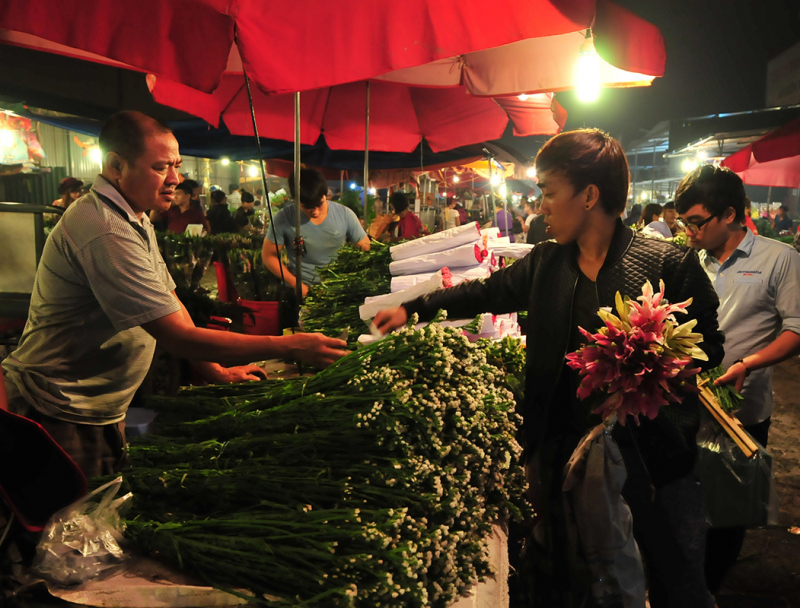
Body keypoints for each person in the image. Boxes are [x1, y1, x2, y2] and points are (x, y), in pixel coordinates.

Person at [375, 128, 723, 608]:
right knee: (581, 581)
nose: (541, 206)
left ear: (589, 195)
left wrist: (653, 367)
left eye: (548, 193)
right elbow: (484, 292)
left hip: (653, 467)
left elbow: (708, 349)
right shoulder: (546, 264)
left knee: (676, 584)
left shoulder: (669, 263)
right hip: (562, 460)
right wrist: (413, 308)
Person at [1, 111, 347, 478]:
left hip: (97, 407)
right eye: (161, 167)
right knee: (68, 526)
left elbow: (172, 303)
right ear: (116, 165)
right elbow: (178, 337)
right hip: (61, 412)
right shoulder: (104, 230)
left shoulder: (133, 216)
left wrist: (216, 371)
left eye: (177, 166)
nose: (175, 180)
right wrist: (289, 346)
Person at [675, 164, 800, 596]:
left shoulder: (779, 259)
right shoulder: (689, 260)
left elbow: (796, 330)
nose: (688, 232)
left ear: (729, 215)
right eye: (684, 223)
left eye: (696, 222)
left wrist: (747, 363)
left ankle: (709, 589)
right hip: (687, 404)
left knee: (727, 513)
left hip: (740, 412)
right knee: (684, 502)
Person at [262, 168, 370, 296]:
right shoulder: (283, 218)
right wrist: (295, 283)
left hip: (336, 290)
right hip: (299, 291)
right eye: (307, 207)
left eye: (320, 204)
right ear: (295, 199)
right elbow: (269, 256)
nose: (315, 212)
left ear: (326, 195)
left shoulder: (345, 214)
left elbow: (365, 247)